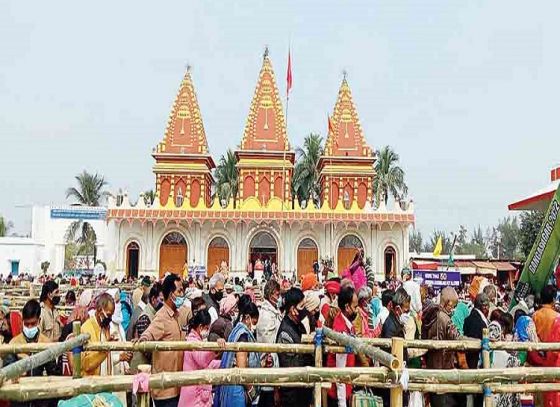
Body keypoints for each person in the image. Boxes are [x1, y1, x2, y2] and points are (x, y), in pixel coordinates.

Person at [139, 274, 186, 407]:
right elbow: (148, 334)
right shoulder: (161, 317)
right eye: (179, 291)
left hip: (176, 385)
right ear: (171, 295)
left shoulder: (177, 315)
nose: (182, 294)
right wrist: (143, 339)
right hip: (165, 388)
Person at [4, 300, 59, 407]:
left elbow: (54, 373)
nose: (29, 327)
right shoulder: (14, 343)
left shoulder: (46, 344)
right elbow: (6, 371)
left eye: (33, 324)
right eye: (26, 324)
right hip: (19, 400)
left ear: (39, 320)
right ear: (22, 321)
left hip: (40, 399)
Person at [214, 295, 261, 407]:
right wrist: (251, 391)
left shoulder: (236, 330)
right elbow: (241, 367)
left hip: (233, 386)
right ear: (248, 318)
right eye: (254, 322)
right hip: (237, 390)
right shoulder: (243, 336)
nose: (254, 327)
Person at [422, 287, 462, 407]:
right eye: (453, 305)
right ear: (448, 302)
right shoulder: (444, 318)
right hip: (443, 366)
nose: (453, 309)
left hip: (433, 365)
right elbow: (457, 338)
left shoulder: (433, 315)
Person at [276, 288, 313, 407]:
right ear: (293, 309)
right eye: (301, 306)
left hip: (302, 388)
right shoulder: (285, 333)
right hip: (292, 391)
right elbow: (290, 364)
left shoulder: (299, 324)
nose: (304, 310)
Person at [178, 309, 224, 407]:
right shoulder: (192, 341)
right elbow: (202, 361)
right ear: (200, 327)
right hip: (195, 397)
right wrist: (215, 348)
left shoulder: (198, 341)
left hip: (198, 394)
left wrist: (223, 363)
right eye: (207, 328)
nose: (207, 331)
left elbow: (208, 364)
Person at [326, 285, 358, 407]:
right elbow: (340, 367)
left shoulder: (346, 324)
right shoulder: (340, 329)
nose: (357, 310)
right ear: (347, 307)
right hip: (339, 392)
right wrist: (342, 402)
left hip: (345, 387)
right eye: (355, 307)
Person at [255, 280, 281, 407]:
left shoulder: (273, 312)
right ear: (271, 295)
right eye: (277, 294)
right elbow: (268, 344)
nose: (279, 297)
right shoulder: (266, 315)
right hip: (268, 365)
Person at [464, 293, 490, 407]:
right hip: (477, 364)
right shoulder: (480, 322)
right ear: (484, 307)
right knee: (477, 399)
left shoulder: (469, 319)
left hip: (469, 363)